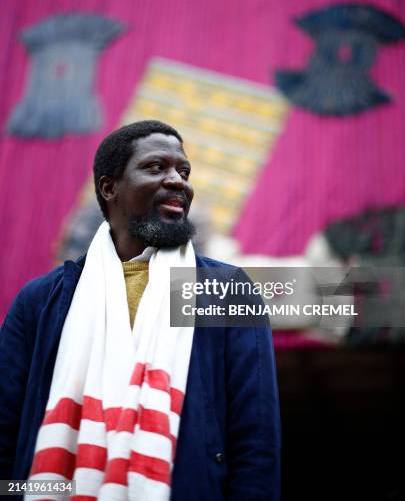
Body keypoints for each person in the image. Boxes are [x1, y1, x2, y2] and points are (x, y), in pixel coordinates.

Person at [0, 120, 280, 500]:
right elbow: (5, 437)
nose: (178, 180)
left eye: (183, 171)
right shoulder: (41, 301)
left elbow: (256, 437)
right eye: (155, 168)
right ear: (109, 187)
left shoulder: (225, 290)